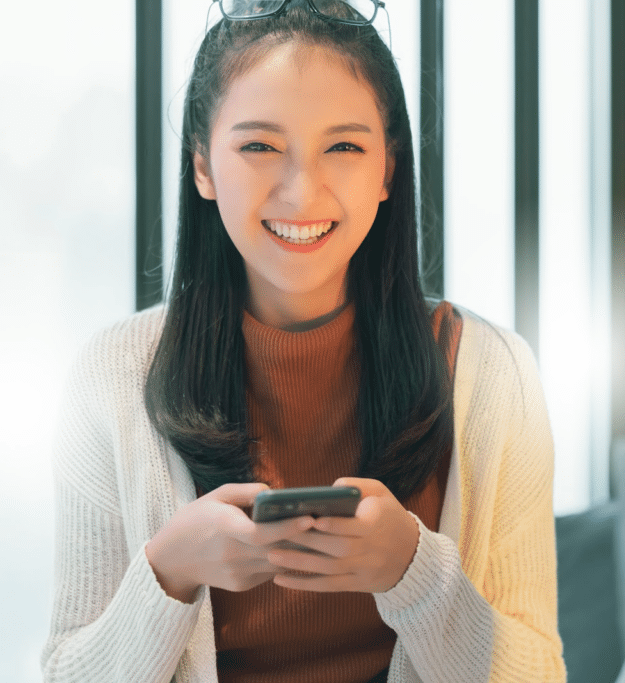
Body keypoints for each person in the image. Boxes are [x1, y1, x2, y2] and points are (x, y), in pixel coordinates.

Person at [41, 1, 566, 681]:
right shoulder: (111, 378)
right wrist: (171, 568)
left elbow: (541, 672)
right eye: (259, 146)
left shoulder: (492, 375)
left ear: (387, 170)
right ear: (202, 166)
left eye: (343, 147)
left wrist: (411, 570)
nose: (301, 191)